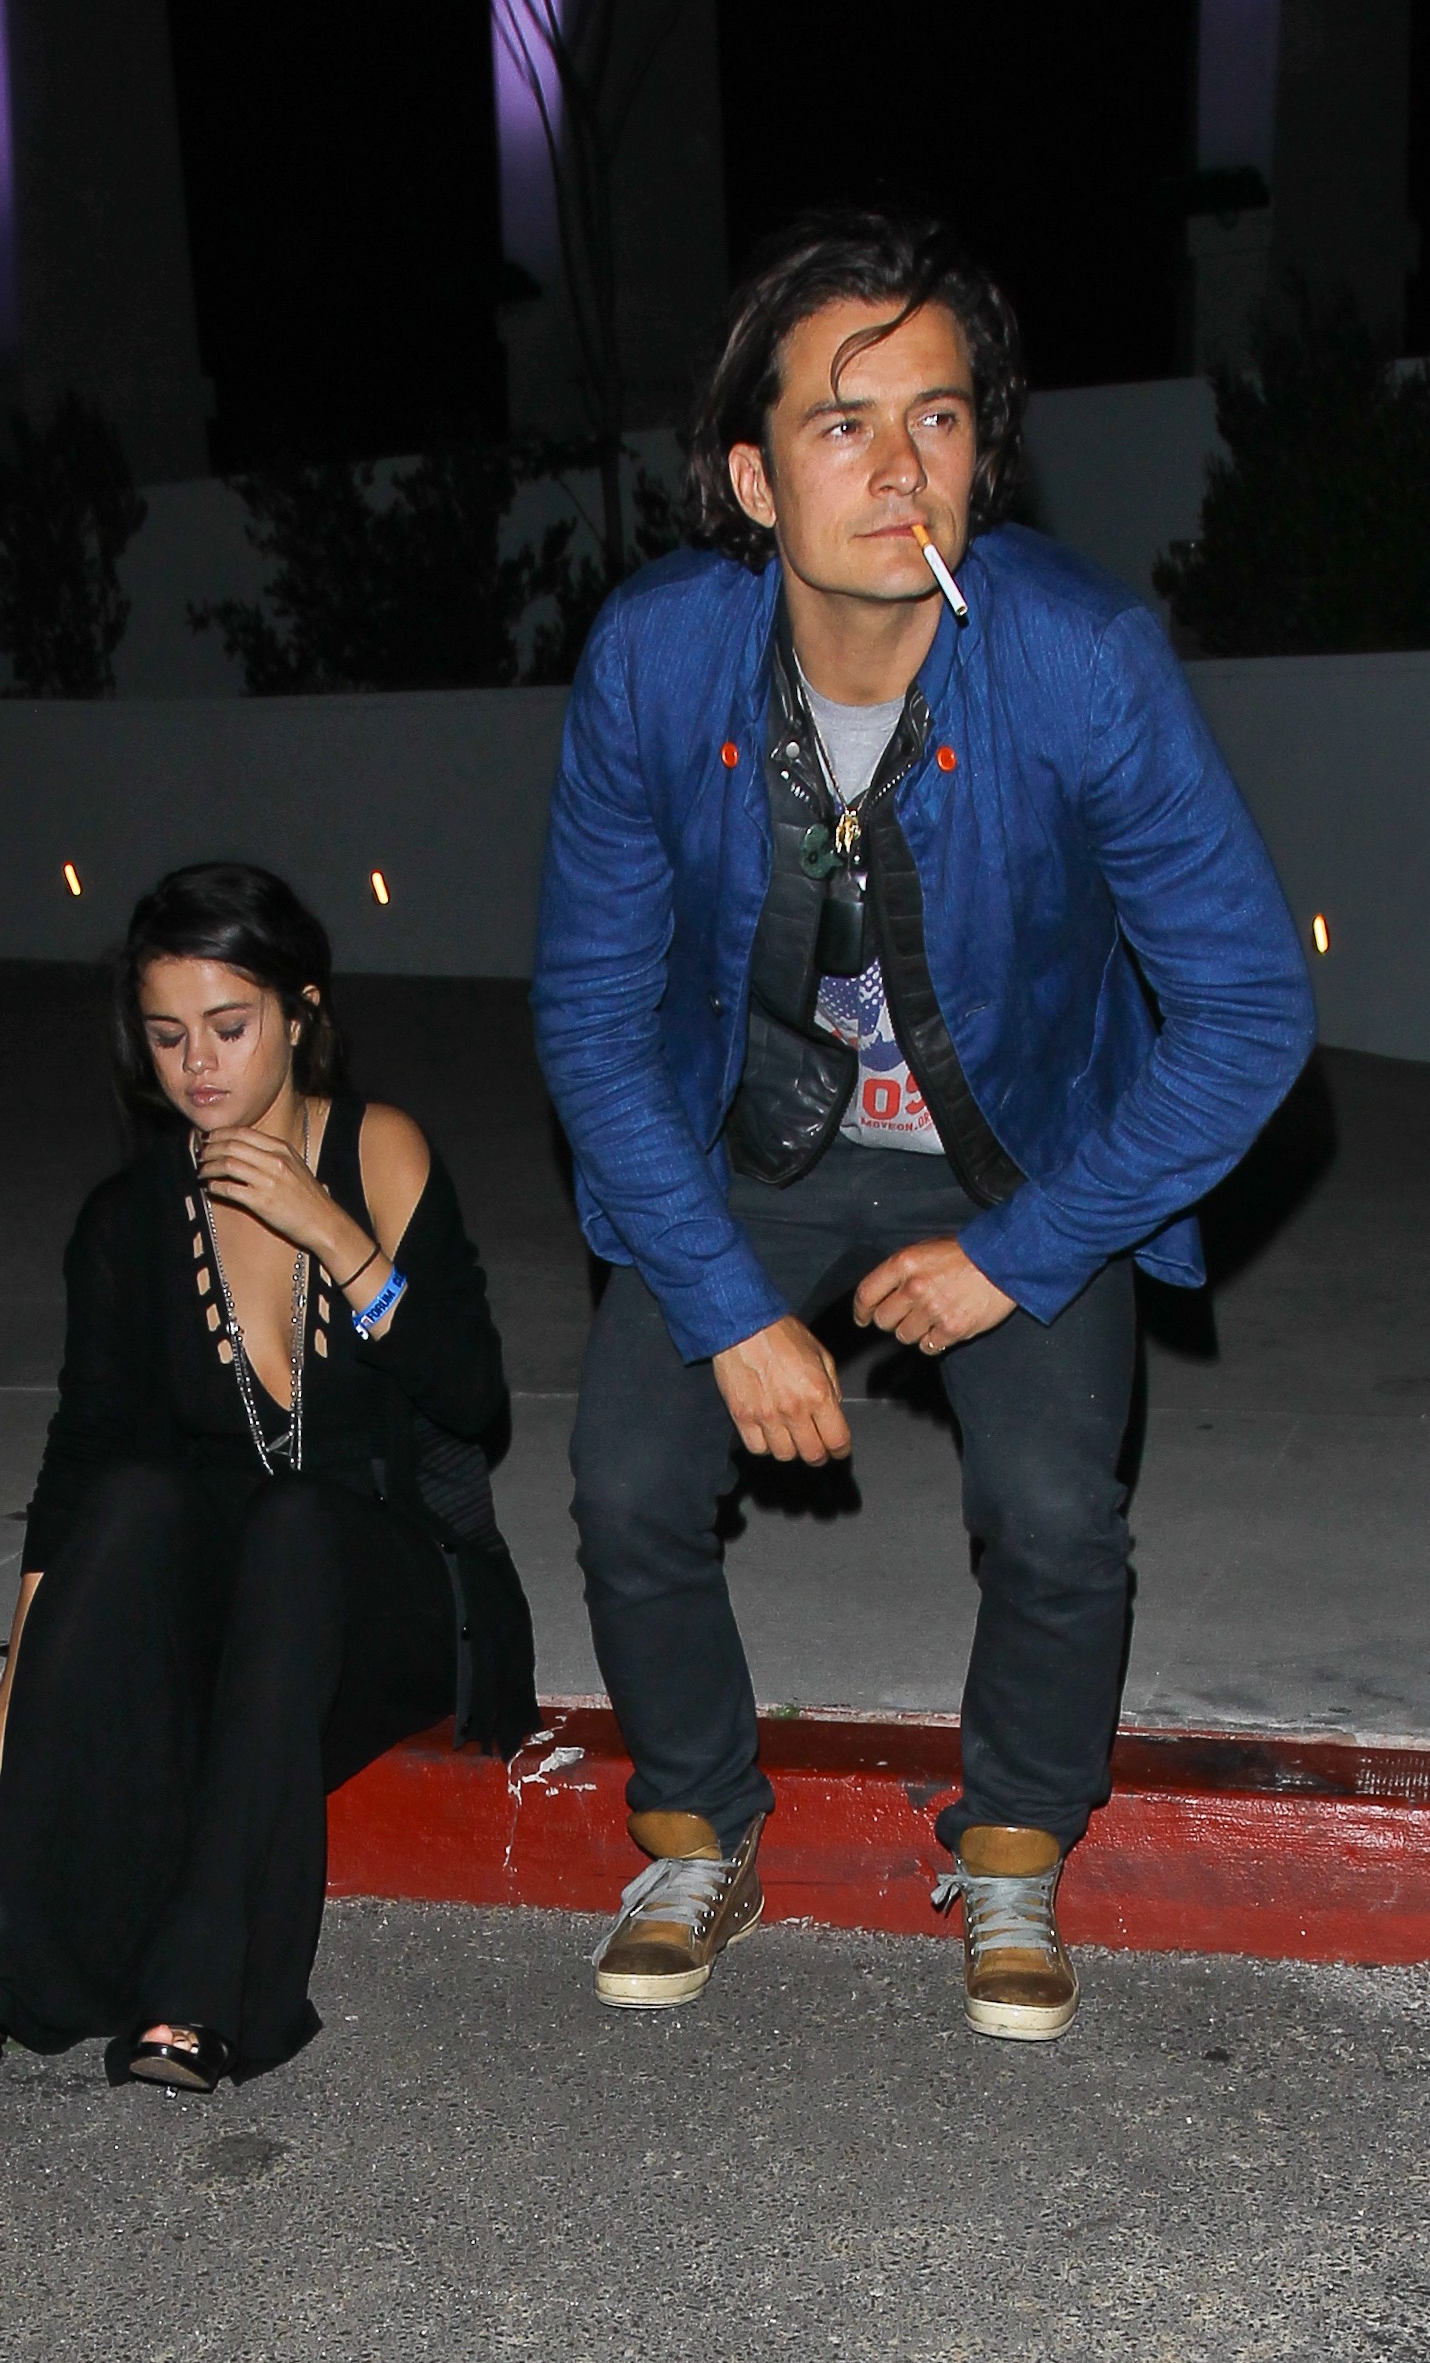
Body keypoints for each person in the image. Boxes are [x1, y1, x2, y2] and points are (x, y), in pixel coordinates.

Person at [532, 210, 1314, 2040]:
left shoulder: (1077, 658)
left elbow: (1246, 1011)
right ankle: (699, 1832)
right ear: (752, 476)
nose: (901, 467)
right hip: (756, 1132)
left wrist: (1020, 1254)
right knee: (626, 1477)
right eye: (842, 422)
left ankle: (1015, 1848)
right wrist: (723, 1304)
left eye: (939, 419)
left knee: (1053, 1512)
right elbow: (589, 1016)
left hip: (1022, 1147)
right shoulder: (653, 664)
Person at [0, 862, 537, 2088]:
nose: (197, 1065)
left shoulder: (379, 1151)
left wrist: (338, 1237)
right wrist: (18, 1710)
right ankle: (2, 1965)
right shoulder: (128, 1220)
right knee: (133, 1497)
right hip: (242, 1617)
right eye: (166, 1037)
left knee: (295, 1520)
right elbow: (79, 1471)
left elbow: (474, 1400)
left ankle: (206, 1988)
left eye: (229, 1026)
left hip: (397, 1597)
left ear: (300, 1014)